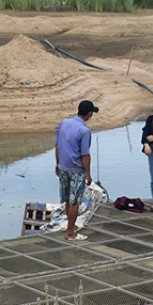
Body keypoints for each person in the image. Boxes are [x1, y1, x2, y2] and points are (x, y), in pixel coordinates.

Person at [54, 99, 98, 240]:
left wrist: (57, 163)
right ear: (89, 114)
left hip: (63, 167)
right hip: (76, 170)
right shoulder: (84, 131)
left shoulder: (64, 123)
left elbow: (57, 146)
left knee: (67, 200)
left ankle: (69, 228)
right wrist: (88, 174)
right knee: (74, 202)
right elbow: (85, 154)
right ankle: (70, 232)